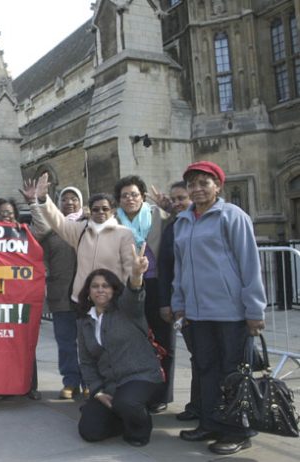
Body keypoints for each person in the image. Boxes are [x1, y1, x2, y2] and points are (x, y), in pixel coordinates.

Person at [173, 161, 266, 455]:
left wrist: (254, 310)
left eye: (204, 182)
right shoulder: (183, 221)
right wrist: (179, 304)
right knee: (206, 370)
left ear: (218, 186)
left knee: (233, 371)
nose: (197, 189)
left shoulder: (233, 216)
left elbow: (249, 264)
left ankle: (239, 430)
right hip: (198, 314)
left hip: (230, 312)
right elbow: (180, 268)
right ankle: (211, 422)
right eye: (192, 184)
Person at [76, 244, 164, 447]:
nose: (100, 289)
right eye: (95, 286)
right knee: (89, 432)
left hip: (141, 377)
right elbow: (86, 362)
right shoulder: (84, 322)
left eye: (105, 286)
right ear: (88, 292)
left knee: (127, 403)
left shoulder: (127, 308)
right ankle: (123, 416)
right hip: (110, 385)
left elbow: (135, 291)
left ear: (114, 290)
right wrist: (97, 392)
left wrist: (136, 274)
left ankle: (140, 428)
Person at [24, 173, 135, 310]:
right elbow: (58, 221)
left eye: (105, 209)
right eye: (96, 209)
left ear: (112, 211)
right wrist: (42, 199)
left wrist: (126, 298)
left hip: (112, 299)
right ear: (90, 211)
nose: (100, 212)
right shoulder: (81, 230)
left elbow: (129, 269)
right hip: (84, 299)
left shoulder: (123, 234)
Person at [114, 175, 172, 413]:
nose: (130, 199)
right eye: (125, 195)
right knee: (135, 342)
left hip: (157, 285)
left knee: (162, 341)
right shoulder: (112, 220)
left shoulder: (158, 215)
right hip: (128, 287)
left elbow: (182, 220)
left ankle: (161, 395)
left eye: (134, 194)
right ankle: (137, 392)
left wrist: (169, 207)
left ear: (143, 196)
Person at [30, 186, 85, 400]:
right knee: (65, 342)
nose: (69, 203)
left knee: (87, 341)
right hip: (60, 293)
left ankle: (89, 380)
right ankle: (70, 381)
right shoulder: (52, 228)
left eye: (74, 199)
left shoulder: (88, 225)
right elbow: (37, 250)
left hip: (86, 295)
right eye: (65, 199)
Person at [0, 198, 41, 401]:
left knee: (25, 342)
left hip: (21, 298)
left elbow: (43, 229)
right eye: (1, 214)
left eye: (9, 213)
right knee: (1, 345)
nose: (6, 217)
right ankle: (3, 386)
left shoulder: (24, 233)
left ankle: (30, 386)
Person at [156, 181, 198, 421]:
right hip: (184, 304)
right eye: (174, 199)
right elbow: (164, 266)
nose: (178, 203)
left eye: (182, 198)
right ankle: (198, 407)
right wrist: (166, 302)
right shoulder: (173, 227)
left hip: (211, 304)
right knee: (198, 357)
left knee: (209, 360)